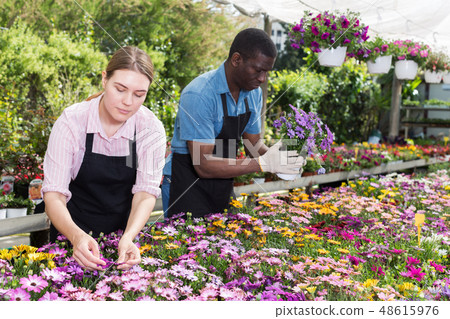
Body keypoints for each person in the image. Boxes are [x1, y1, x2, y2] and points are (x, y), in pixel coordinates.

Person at [42, 46, 166, 271]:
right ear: (104, 80)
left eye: (139, 94)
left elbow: (145, 193)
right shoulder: (72, 122)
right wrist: (77, 238)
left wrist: (128, 238)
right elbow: (54, 195)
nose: (128, 102)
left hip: (122, 239)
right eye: (120, 89)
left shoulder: (151, 129)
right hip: (70, 236)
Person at [164, 28, 304, 219]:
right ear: (236, 60)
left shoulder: (253, 93)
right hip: (186, 185)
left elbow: (253, 146)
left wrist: (281, 159)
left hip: (221, 184)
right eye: (258, 70)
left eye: (267, 72)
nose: (262, 79)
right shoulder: (200, 94)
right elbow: (203, 163)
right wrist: (263, 164)